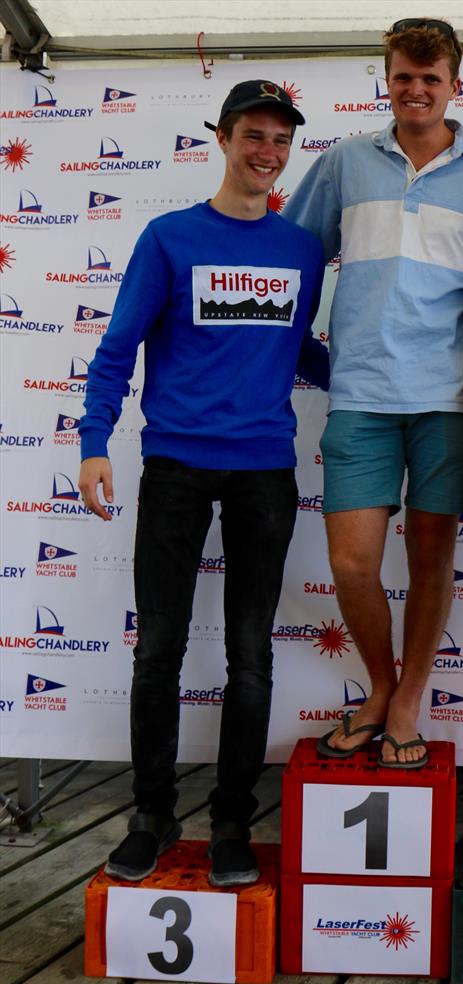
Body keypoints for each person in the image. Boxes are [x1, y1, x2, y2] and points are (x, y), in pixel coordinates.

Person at [78, 80, 328, 886]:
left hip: (264, 469)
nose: (268, 152)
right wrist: (92, 442)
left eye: (282, 141)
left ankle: (230, 819)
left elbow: (298, 351)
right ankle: (151, 812)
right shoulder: (169, 238)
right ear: (220, 138)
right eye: (254, 136)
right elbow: (118, 346)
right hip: (177, 464)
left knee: (251, 657)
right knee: (159, 648)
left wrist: (380, 374)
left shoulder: (299, 250)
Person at [284, 18, 463, 769]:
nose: (416, 90)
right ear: (386, 80)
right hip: (360, 395)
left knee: (429, 558)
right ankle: (383, 684)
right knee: (356, 563)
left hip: (449, 402)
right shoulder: (341, 164)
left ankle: (407, 700)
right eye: (403, 77)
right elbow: (294, 263)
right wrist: (310, 361)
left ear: (455, 86)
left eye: (431, 80)